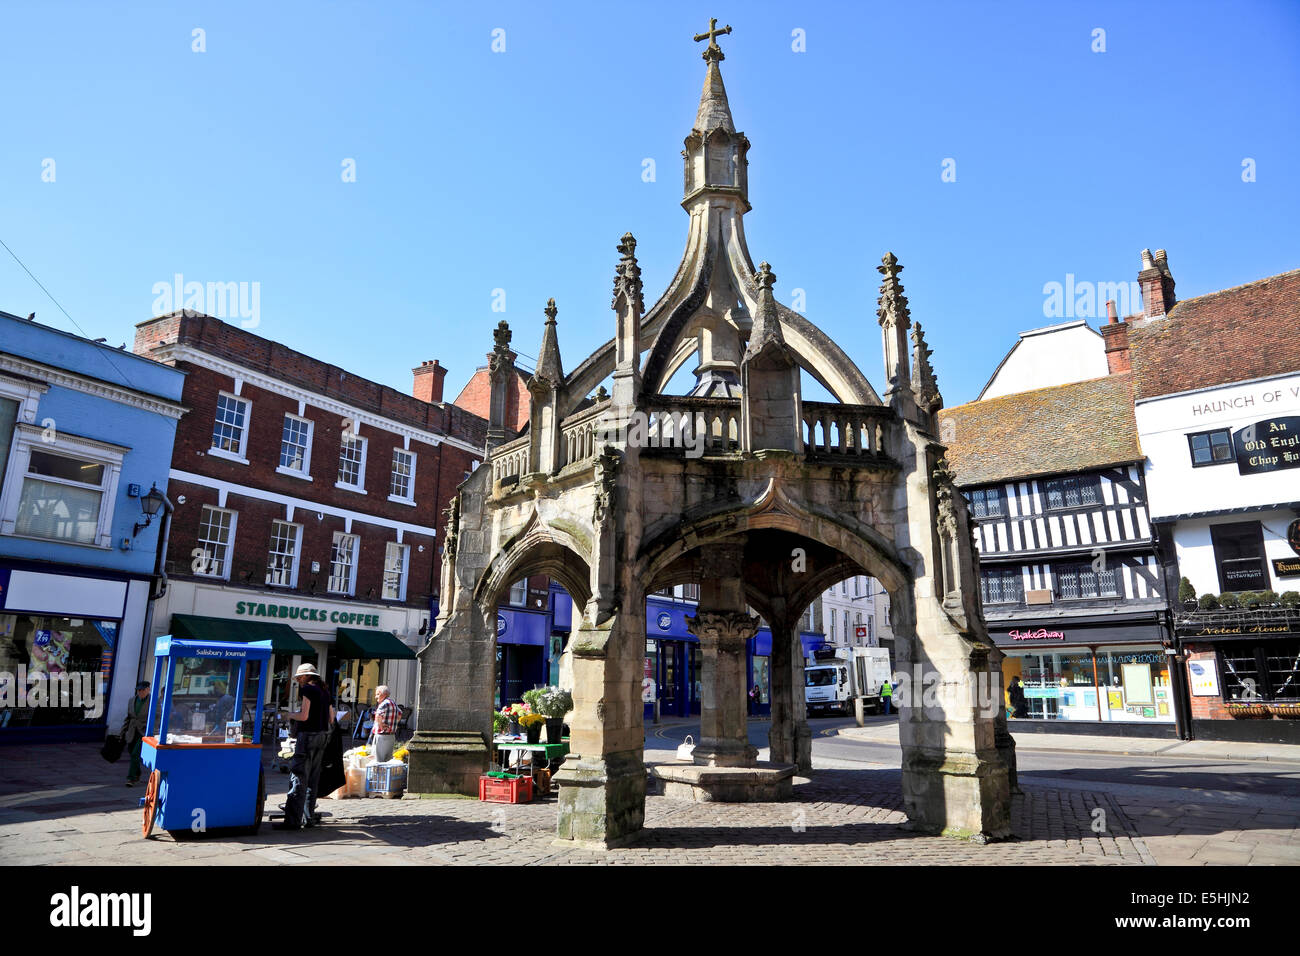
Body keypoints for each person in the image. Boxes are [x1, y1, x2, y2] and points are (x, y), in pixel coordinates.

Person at [275, 664, 335, 830]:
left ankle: (292, 821)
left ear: (307, 677)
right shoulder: (325, 691)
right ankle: (309, 818)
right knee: (313, 779)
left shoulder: (308, 690)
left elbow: (304, 715)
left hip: (308, 737)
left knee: (298, 776)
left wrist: (289, 715)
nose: (299, 680)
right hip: (322, 737)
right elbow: (331, 718)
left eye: (300, 677)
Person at [123, 681, 150, 786]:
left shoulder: (153, 702)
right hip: (132, 730)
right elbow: (128, 717)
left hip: (144, 732)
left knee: (135, 754)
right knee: (131, 752)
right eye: (139, 690)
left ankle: (131, 778)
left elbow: (157, 717)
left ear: (148, 689)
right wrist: (122, 732)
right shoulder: (132, 700)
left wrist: (150, 728)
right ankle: (137, 773)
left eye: (143, 690)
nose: (140, 692)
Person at [370, 685, 399, 763]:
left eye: (377, 694)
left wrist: (381, 725)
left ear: (383, 694)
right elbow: (399, 714)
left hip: (381, 736)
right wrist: (394, 724)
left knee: (377, 761)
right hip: (391, 736)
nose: (376, 697)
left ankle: (377, 775)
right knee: (387, 762)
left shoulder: (383, 704)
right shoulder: (393, 703)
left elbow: (378, 715)